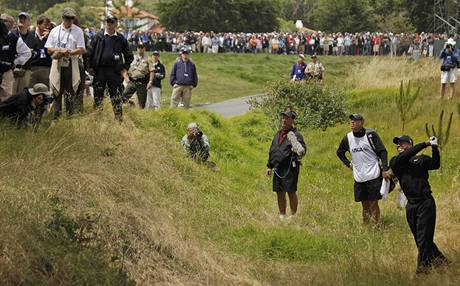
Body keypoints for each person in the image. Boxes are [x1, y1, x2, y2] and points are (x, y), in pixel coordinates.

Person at [390, 135, 449, 274]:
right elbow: (405, 156)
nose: (399, 146)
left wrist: (434, 147)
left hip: (425, 202)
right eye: (398, 144)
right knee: (420, 237)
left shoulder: (420, 159)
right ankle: (440, 260)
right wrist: (425, 143)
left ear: (410, 145)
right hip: (411, 205)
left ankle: (423, 269)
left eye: (403, 143)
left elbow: (435, 164)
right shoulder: (396, 161)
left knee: (423, 237)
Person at [336, 114, 391, 225]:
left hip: (373, 174)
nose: (352, 122)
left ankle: (376, 227)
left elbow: (382, 151)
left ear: (362, 122)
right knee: (364, 205)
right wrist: (348, 164)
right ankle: (366, 227)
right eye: (351, 121)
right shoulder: (348, 138)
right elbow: (339, 152)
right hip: (359, 176)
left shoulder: (371, 135)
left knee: (373, 203)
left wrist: (385, 169)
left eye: (355, 120)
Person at [88, 16, 133, 121]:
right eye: (107, 22)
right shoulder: (97, 37)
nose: (109, 24)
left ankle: (119, 121)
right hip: (99, 71)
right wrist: (89, 67)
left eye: (112, 22)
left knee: (116, 96)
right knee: (98, 95)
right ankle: (97, 120)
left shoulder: (121, 38)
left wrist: (124, 68)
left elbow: (129, 55)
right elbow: (89, 53)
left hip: (114, 72)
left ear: (116, 24)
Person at [45, 7, 86, 119]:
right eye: (67, 18)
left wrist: (69, 52)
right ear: (62, 18)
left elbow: (82, 49)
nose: (70, 21)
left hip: (71, 63)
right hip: (57, 63)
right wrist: (60, 50)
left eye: (72, 18)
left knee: (70, 92)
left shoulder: (78, 31)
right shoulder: (54, 31)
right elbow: (48, 48)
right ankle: (55, 118)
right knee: (56, 91)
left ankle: (70, 118)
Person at [267, 110, 306, 220]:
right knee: (279, 192)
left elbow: (303, 150)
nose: (284, 120)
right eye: (283, 118)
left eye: (287, 118)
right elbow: (272, 150)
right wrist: (269, 166)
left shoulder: (296, 134)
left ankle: (293, 215)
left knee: (291, 191)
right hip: (278, 168)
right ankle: (282, 215)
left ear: (292, 120)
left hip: (290, 167)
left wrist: (299, 150)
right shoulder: (278, 134)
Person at [0, 14, 32, 102]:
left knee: (5, 98)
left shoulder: (14, 38)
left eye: (4, 20)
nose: (2, 22)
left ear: (11, 24)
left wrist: (14, 62)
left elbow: (27, 53)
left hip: (6, 72)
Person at [122, 43, 154, 109]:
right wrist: (126, 78)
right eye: (139, 47)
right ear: (137, 49)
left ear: (144, 49)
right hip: (131, 82)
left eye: (141, 47)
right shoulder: (132, 57)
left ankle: (139, 115)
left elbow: (152, 71)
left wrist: (150, 82)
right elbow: (124, 69)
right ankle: (131, 104)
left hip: (142, 83)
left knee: (141, 104)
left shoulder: (148, 59)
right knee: (123, 98)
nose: (140, 49)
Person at [29, 15, 52, 88]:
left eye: (48, 25)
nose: (47, 27)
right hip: (32, 67)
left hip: (46, 68)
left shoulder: (51, 36)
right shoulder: (30, 34)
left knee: (45, 92)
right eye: (45, 25)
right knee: (30, 91)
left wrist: (49, 36)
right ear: (38, 24)